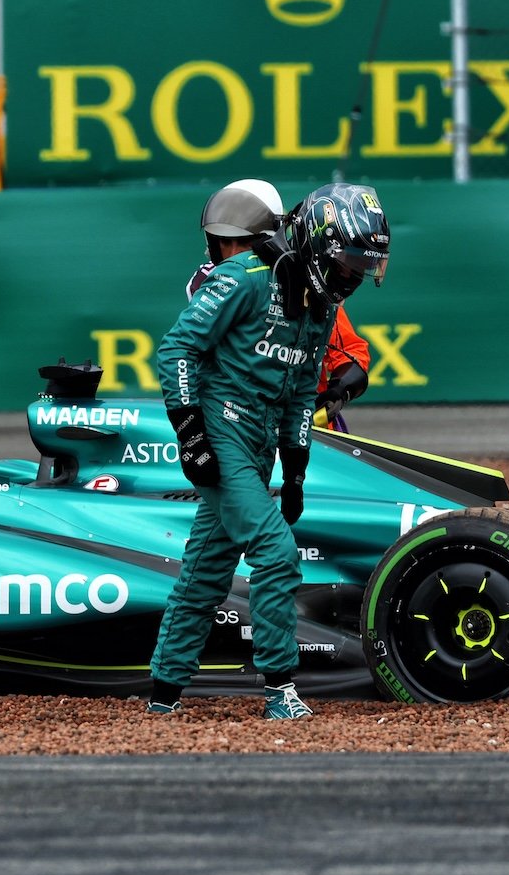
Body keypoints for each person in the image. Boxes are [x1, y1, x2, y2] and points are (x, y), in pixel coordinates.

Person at [148, 182, 391, 720]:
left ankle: (162, 695)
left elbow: (303, 389)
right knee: (277, 555)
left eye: (362, 266)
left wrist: (297, 467)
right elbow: (177, 349)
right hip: (223, 432)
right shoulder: (243, 277)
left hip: (259, 444)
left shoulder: (322, 302)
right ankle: (281, 691)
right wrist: (191, 434)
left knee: (205, 573)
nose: (353, 276)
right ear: (318, 247)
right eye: (348, 262)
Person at [186, 179, 373, 428]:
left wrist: (337, 392)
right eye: (224, 241)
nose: (233, 253)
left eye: (244, 242)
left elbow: (352, 356)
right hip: (236, 428)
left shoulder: (308, 283)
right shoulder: (206, 285)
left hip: (306, 431)